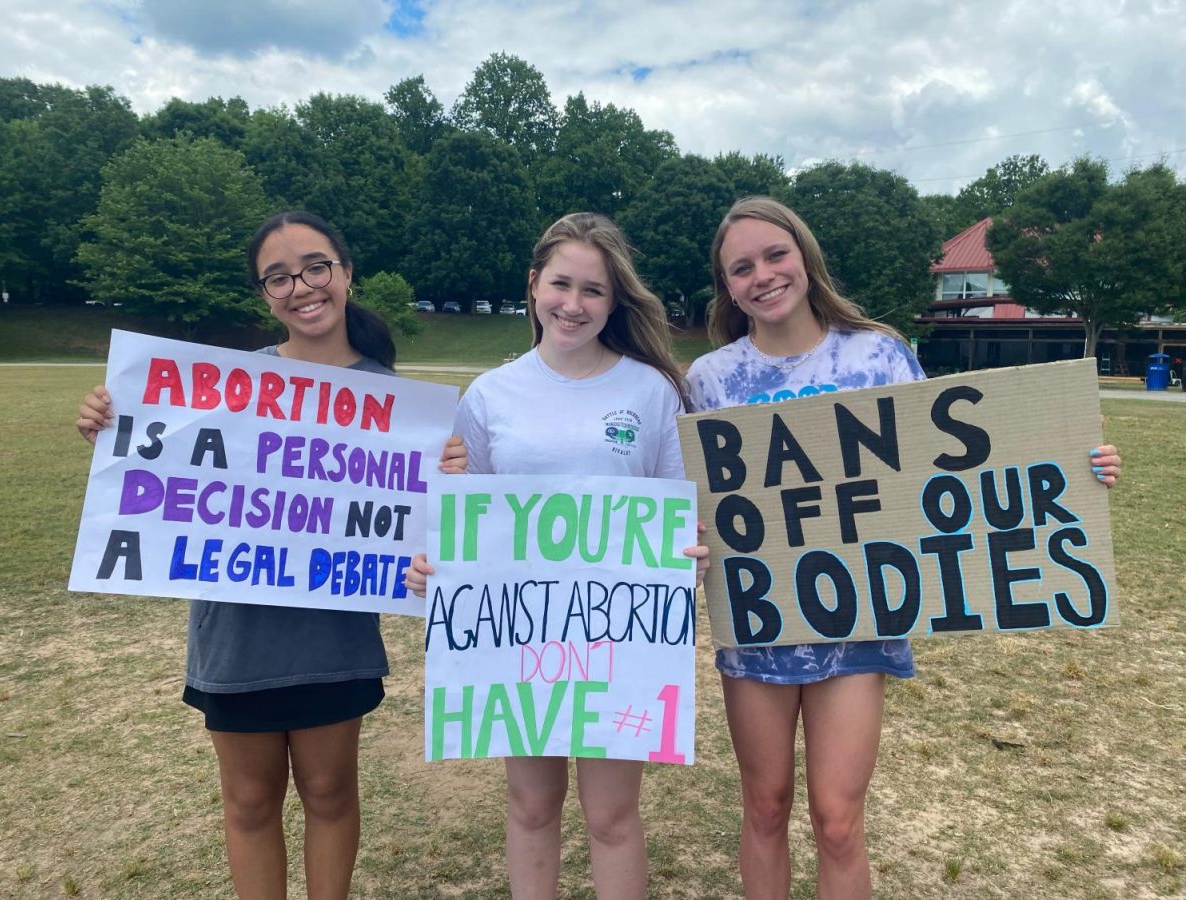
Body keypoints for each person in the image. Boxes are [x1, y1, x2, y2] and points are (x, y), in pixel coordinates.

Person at [684, 196, 1122, 900]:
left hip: (859, 623)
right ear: (726, 284)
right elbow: (690, 499)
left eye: (775, 255)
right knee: (764, 809)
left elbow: (950, 469)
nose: (762, 275)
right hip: (759, 624)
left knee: (837, 821)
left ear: (804, 256)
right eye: (742, 268)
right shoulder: (709, 379)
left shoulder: (878, 353)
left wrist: (1079, 462)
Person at [75, 210, 466, 900]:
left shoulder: (399, 402)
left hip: (333, 637)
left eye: (315, 266)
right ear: (263, 294)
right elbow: (162, 470)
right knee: (250, 803)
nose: (300, 287)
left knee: (329, 795)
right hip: (236, 634)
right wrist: (113, 428)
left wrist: (449, 484)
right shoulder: (221, 385)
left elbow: (429, 538)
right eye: (277, 277)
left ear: (345, 273)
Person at [405, 212, 708, 900]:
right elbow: (466, 521)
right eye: (561, 284)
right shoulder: (488, 395)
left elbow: (676, 508)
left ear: (614, 300)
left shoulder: (652, 392)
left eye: (594, 291)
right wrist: (435, 568)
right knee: (532, 808)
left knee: (611, 816)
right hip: (521, 638)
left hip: (619, 638)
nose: (574, 305)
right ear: (534, 284)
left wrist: (688, 555)